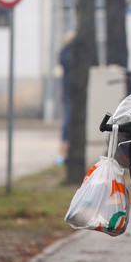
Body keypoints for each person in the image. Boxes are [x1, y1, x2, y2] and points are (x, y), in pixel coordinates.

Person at [57, 30, 75, 166]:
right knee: (68, 121)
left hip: (68, 92)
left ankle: (64, 147)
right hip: (70, 92)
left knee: (68, 121)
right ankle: (64, 148)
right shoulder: (69, 53)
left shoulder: (65, 52)